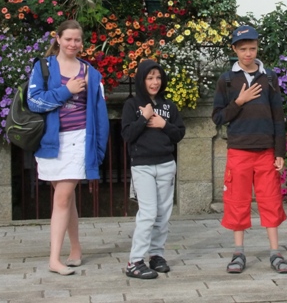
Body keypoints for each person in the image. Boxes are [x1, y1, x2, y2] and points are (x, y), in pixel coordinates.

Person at [28, 20, 110, 276]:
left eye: (77, 40)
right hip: (51, 141)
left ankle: (54, 259)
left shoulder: (90, 73)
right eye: (68, 39)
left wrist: (98, 149)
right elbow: (34, 102)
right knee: (67, 198)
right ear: (58, 39)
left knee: (62, 197)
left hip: (79, 139)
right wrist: (66, 90)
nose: (73, 44)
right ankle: (75, 250)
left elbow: (100, 114)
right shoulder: (43, 67)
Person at [212, 25, 287, 274]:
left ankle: (275, 252)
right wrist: (239, 101)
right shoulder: (227, 80)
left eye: (252, 48)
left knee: (271, 200)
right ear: (234, 49)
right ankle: (238, 252)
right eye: (243, 49)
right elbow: (218, 117)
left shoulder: (269, 78)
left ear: (258, 48)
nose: (248, 53)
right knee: (237, 201)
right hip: (239, 150)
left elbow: (278, 117)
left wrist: (280, 152)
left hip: (266, 151)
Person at [121, 60, 186, 280]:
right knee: (148, 213)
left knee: (163, 214)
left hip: (166, 164)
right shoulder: (132, 105)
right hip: (143, 166)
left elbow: (179, 134)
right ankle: (135, 261)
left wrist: (163, 124)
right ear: (141, 80)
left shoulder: (169, 106)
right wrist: (144, 117)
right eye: (150, 78)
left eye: (158, 77)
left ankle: (156, 255)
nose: (155, 82)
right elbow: (127, 135)